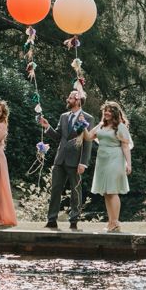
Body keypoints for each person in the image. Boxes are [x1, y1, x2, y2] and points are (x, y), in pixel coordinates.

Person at [38, 91, 94, 230]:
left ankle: (74, 220)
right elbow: (58, 136)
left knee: (76, 191)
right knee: (55, 189)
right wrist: (47, 127)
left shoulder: (87, 118)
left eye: (70, 97)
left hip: (76, 161)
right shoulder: (63, 117)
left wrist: (83, 162)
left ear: (78, 100)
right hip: (60, 159)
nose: (67, 99)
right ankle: (52, 220)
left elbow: (88, 143)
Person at [82, 101, 133, 232]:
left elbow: (125, 146)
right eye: (105, 110)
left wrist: (128, 163)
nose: (107, 113)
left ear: (115, 113)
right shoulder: (100, 126)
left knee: (113, 190)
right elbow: (88, 137)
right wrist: (82, 124)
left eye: (110, 111)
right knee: (105, 192)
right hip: (102, 160)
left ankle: (116, 222)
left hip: (115, 158)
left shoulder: (120, 127)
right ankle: (111, 222)